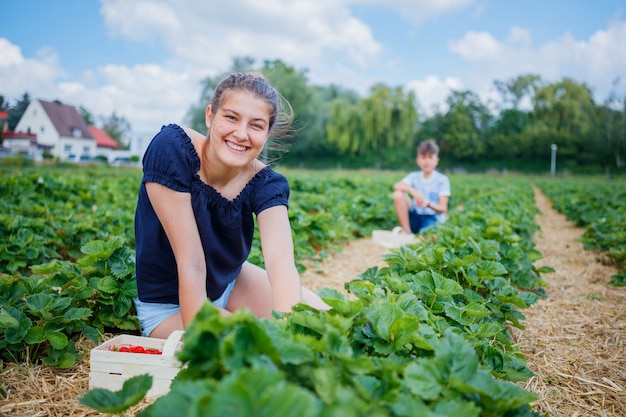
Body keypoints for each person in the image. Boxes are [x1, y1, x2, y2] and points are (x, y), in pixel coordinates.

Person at [133, 72, 328, 339]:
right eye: (231, 117)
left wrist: (291, 335)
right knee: (253, 346)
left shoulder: (267, 183)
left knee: (321, 324)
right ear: (210, 116)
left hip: (231, 283)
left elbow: (280, 261)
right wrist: (205, 338)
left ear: (267, 133)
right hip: (169, 305)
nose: (241, 134)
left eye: (256, 125)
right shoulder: (171, 150)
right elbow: (191, 263)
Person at [392, 139, 451, 234]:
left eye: (430, 157)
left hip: (432, 217)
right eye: (423, 157)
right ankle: (407, 232)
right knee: (398, 194)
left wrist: (428, 204)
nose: (426, 161)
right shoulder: (413, 176)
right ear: (418, 160)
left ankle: (421, 234)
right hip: (416, 215)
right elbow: (396, 185)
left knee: (427, 235)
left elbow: (443, 208)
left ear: (436, 161)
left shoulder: (442, 180)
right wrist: (412, 190)